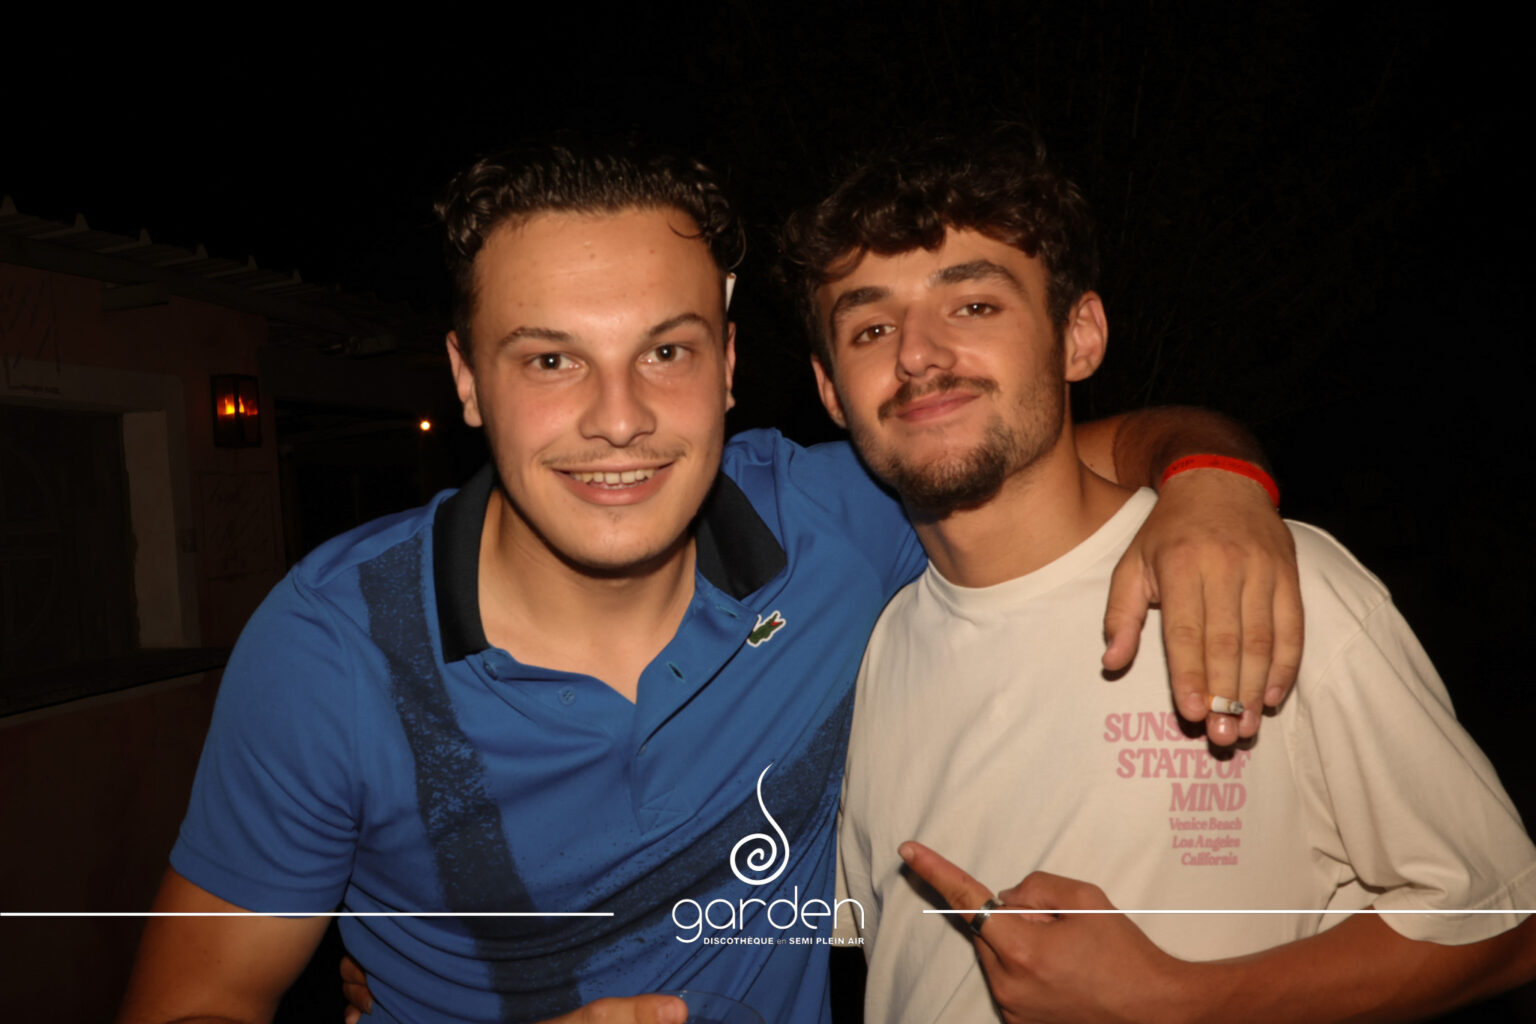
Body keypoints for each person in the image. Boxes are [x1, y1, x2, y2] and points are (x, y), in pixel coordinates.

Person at [118, 138, 1301, 1024]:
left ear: (730, 365)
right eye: (550, 358)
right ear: (467, 379)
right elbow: (191, 1000)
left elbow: (1087, 448)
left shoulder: (838, 524)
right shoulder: (334, 650)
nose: (618, 417)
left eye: (666, 351)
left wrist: (1215, 486)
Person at [781, 127, 1536, 1022]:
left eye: (974, 305)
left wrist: (1177, 1001)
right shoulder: (873, 649)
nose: (916, 353)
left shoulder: (1266, 581)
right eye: (871, 327)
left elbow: (1509, 920)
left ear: (1079, 336)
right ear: (831, 390)